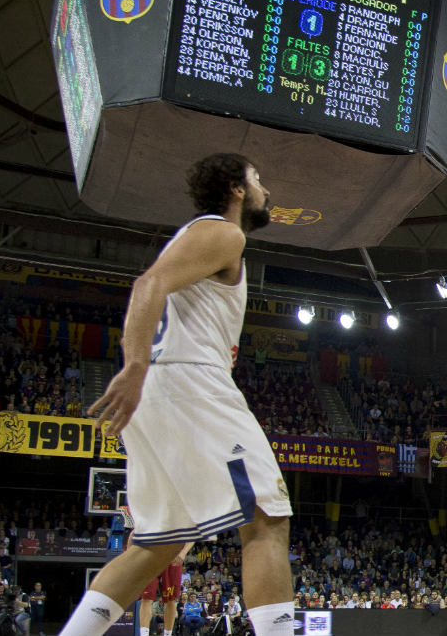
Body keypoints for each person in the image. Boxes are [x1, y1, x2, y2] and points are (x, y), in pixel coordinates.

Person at [61, 154, 294, 636]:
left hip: (163, 393)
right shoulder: (224, 233)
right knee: (267, 518)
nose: (266, 191)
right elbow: (149, 284)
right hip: (191, 383)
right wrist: (134, 364)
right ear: (235, 189)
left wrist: (141, 370)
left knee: (157, 545)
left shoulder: (196, 240)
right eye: (258, 180)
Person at [140, 543, 192, 636]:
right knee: (146, 598)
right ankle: (143, 634)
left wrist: (183, 552)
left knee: (170, 600)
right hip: (150, 556)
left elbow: (193, 531)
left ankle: (167, 634)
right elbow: (134, 533)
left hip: (172, 556)